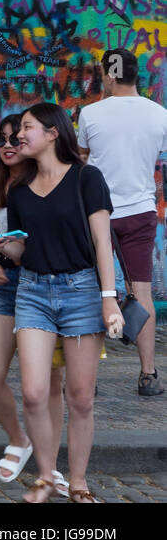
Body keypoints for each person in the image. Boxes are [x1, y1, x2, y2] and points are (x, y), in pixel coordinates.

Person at [0, 103, 125, 503]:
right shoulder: (19, 189)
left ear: (52, 133)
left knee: (81, 397)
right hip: (32, 292)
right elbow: (25, 248)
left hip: (83, 292)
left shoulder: (87, 178)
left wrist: (108, 300)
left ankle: (78, 482)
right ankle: (47, 476)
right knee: (33, 392)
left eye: (26, 128)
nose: (17, 137)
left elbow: (102, 242)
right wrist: (5, 247)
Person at [0, 115, 66, 487]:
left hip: (41, 284)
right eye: (1, 140)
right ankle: (19, 439)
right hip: (5, 286)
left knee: (49, 383)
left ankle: (50, 466)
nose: (8, 145)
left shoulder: (43, 186)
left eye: (15, 138)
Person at [76, 48, 166, 396]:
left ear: (110, 75)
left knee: (94, 290)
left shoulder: (91, 113)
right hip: (140, 211)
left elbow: (83, 159)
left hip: (98, 212)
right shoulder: (160, 115)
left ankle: (88, 376)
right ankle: (148, 375)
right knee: (140, 290)